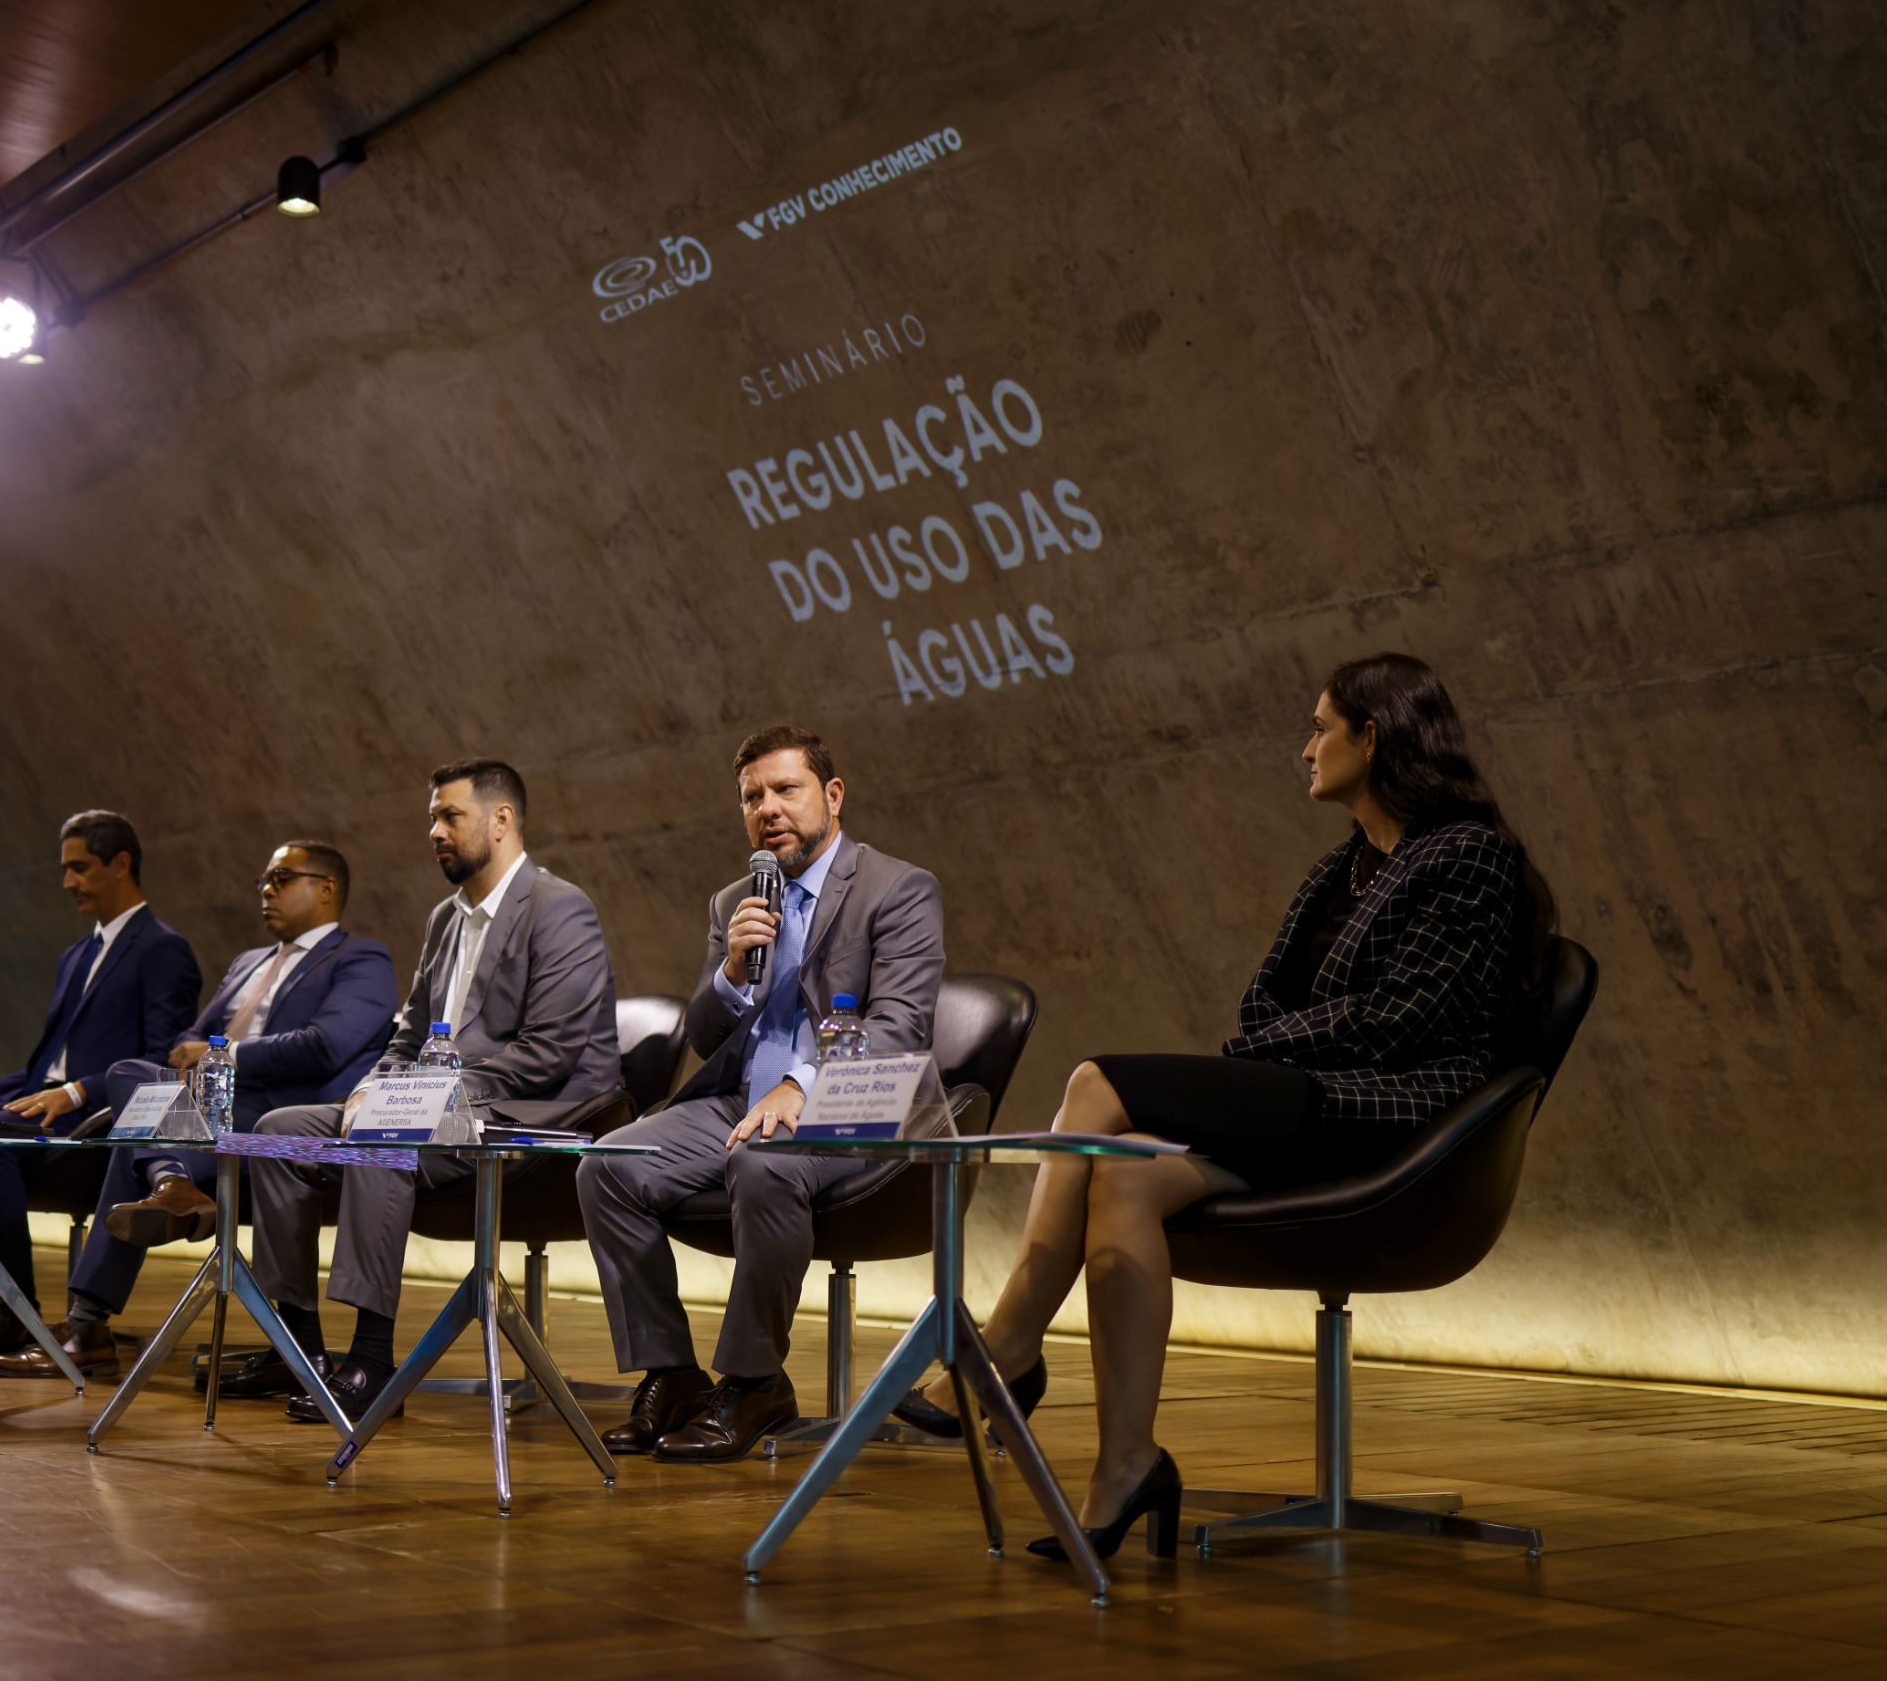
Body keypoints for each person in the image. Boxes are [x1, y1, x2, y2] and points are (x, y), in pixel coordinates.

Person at [908, 653, 1555, 1563]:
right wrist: (1280, 1042)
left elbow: (1400, 1024)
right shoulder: (1339, 871)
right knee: (1123, 1176)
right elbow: (1257, 1012)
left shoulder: (1468, 855)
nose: (1307, 749)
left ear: (1373, 737)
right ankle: (1127, 1466)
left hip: (1399, 1124)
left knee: (1095, 1083)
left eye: (1321, 729)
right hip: (1309, 1106)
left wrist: (1278, 1044)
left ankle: (1008, 1344)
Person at [576, 725, 945, 1463]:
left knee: (763, 1161)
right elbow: (705, 1036)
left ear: (832, 796)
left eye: (785, 790)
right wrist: (731, 974)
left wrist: (800, 1085)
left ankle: (754, 1383)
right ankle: (674, 1375)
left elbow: (900, 1027)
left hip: (859, 1106)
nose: (767, 809)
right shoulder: (734, 902)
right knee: (607, 1166)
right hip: (738, 1100)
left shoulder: (898, 888)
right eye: (752, 798)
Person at [246, 758, 620, 1422]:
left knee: (384, 1137)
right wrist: (373, 1087)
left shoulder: (561, 908)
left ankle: (371, 1360)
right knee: (276, 1131)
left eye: (451, 816)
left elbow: (551, 1051)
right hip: (434, 1106)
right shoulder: (445, 919)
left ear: (501, 820)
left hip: (531, 1112)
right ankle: (299, 1350)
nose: (435, 832)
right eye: (433, 819)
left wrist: (423, 1097)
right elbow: (407, 1035)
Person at [0, 841, 398, 1378]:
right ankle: (171, 1179)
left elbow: (326, 1046)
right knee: (128, 1074)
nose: (266, 891)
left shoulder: (361, 958)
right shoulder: (248, 962)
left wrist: (220, 1056)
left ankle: (91, 1321)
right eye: (262, 881)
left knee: (135, 1131)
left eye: (281, 879)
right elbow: (190, 1036)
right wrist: (191, 1059)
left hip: (279, 1118)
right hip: (206, 1111)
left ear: (327, 889)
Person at [0, 810, 200, 1353]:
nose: (67, 882)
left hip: (95, 1121)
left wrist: (76, 1092)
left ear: (121, 864)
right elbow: (45, 1067)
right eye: (66, 869)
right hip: (35, 1111)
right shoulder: (76, 954)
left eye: (80, 868)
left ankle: (16, 1306)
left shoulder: (163, 950)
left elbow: (159, 1065)